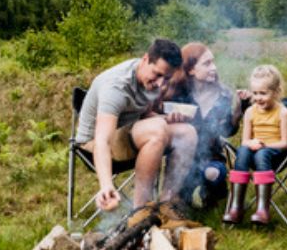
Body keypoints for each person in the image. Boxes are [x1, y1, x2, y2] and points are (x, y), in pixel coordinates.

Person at [74, 38, 196, 212]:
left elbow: (146, 115)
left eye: (167, 78)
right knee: (157, 131)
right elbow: (103, 141)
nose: (161, 84)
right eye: (158, 74)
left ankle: (167, 206)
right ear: (145, 59)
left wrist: (168, 118)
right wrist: (107, 186)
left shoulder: (150, 80)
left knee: (187, 133)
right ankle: (140, 212)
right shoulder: (116, 87)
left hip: (130, 133)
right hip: (93, 144)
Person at [158, 42, 250, 210]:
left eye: (213, 62)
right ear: (191, 69)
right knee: (180, 204)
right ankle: (179, 198)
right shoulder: (178, 94)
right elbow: (160, 120)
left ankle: (210, 195)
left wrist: (238, 110)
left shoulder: (223, 95)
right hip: (183, 160)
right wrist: (170, 119)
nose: (214, 68)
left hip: (212, 158)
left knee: (213, 173)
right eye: (207, 63)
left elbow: (228, 131)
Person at [223, 64, 287, 226]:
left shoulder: (283, 113)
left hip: (274, 152)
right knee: (243, 151)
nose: (258, 98)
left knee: (262, 153)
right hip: (252, 150)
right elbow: (245, 141)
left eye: (263, 93)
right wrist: (252, 143)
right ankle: (236, 208)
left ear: (276, 92)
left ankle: (262, 209)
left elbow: (285, 142)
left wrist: (264, 145)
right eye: (255, 93)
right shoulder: (250, 112)